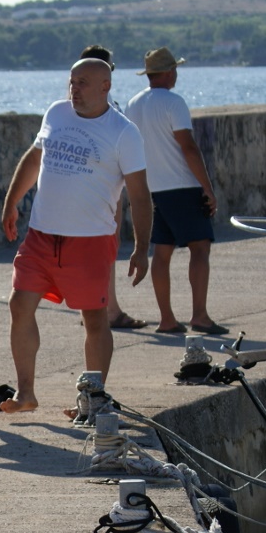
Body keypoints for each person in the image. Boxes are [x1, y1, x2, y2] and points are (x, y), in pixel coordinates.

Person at [0, 58, 152, 415]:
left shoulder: (123, 132)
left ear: (105, 87)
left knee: (95, 319)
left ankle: (93, 399)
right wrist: (11, 202)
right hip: (40, 235)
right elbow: (34, 159)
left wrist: (141, 248)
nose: (74, 90)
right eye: (71, 82)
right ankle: (26, 393)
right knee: (19, 305)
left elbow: (141, 195)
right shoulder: (56, 113)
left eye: (83, 83)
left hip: (90, 241)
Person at [125, 48, 225, 335]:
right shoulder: (173, 102)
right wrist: (207, 187)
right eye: (175, 70)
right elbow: (188, 147)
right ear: (169, 72)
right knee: (200, 248)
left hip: (152, 188)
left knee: (162, 252)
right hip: (182, 185)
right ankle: (200, 316)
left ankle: (166, 318)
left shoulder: (133, 104)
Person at [79, 44, 148, 331]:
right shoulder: (110, 113)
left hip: (80, 191)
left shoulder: (68, 111)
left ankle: (95, 308)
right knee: (105, 251)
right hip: (105, 192)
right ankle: (108, 310)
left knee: (86, 254)